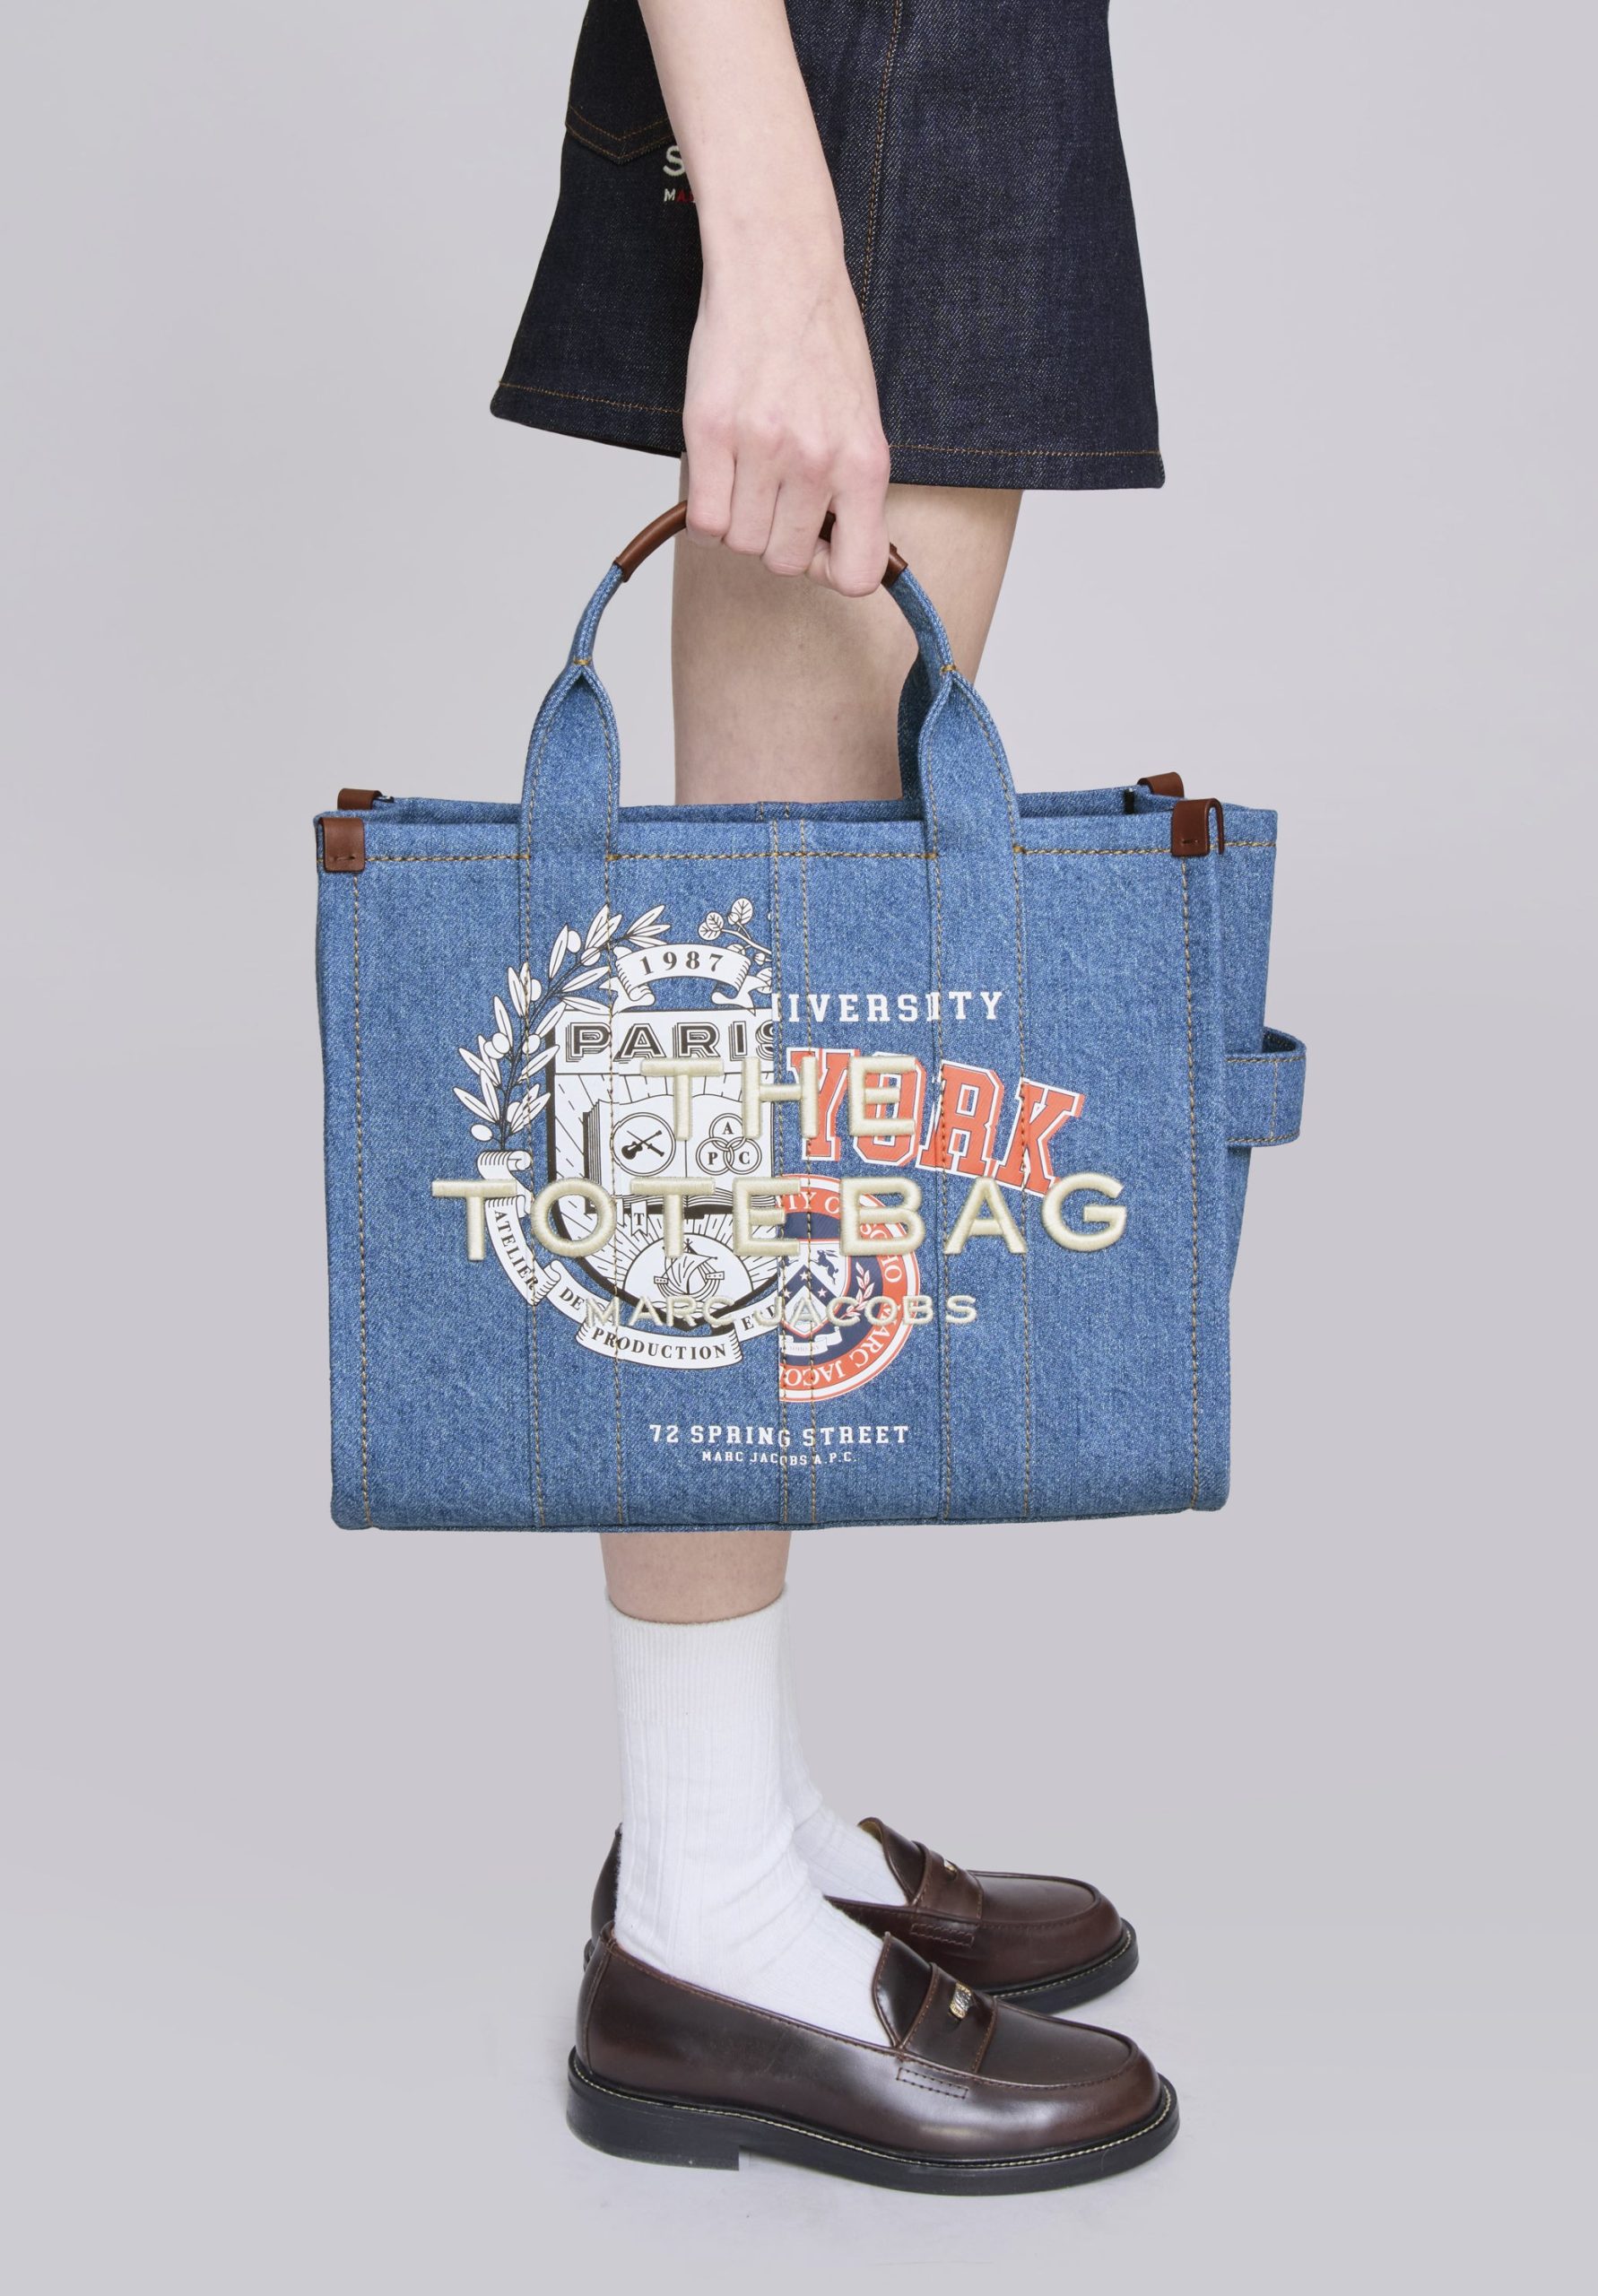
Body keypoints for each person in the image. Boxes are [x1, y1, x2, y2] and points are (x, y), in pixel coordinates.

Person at [492, 0, 1175, 2191]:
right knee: (745, 1025)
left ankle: (742, 1818)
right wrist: (777, 232)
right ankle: (700, 1917)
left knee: (772, 1001)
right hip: (866, 55)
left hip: (941, 57)